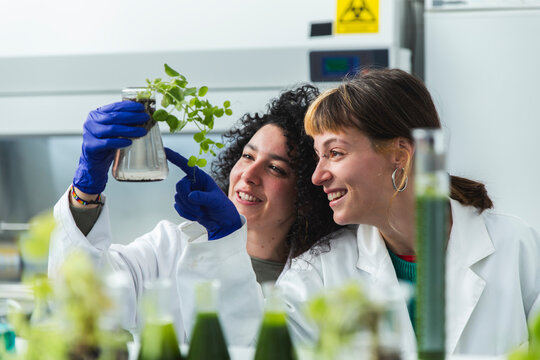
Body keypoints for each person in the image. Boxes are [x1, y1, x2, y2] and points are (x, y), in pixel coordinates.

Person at [175, 68, 540, 356]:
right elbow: (255, 352)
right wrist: (222, 244)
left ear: (400, 155)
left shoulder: (518, 248)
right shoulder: (320, 271)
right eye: (318, 157)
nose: (317, 176)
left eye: (334, 153)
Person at [48, 84, 342, 344]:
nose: (248, 175)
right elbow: (83, 306)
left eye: (276, 168)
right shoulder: (168, 248)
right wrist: (84, 194)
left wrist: (225, 240)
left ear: (306, 194)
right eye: (248, 156)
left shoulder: (323, 275)